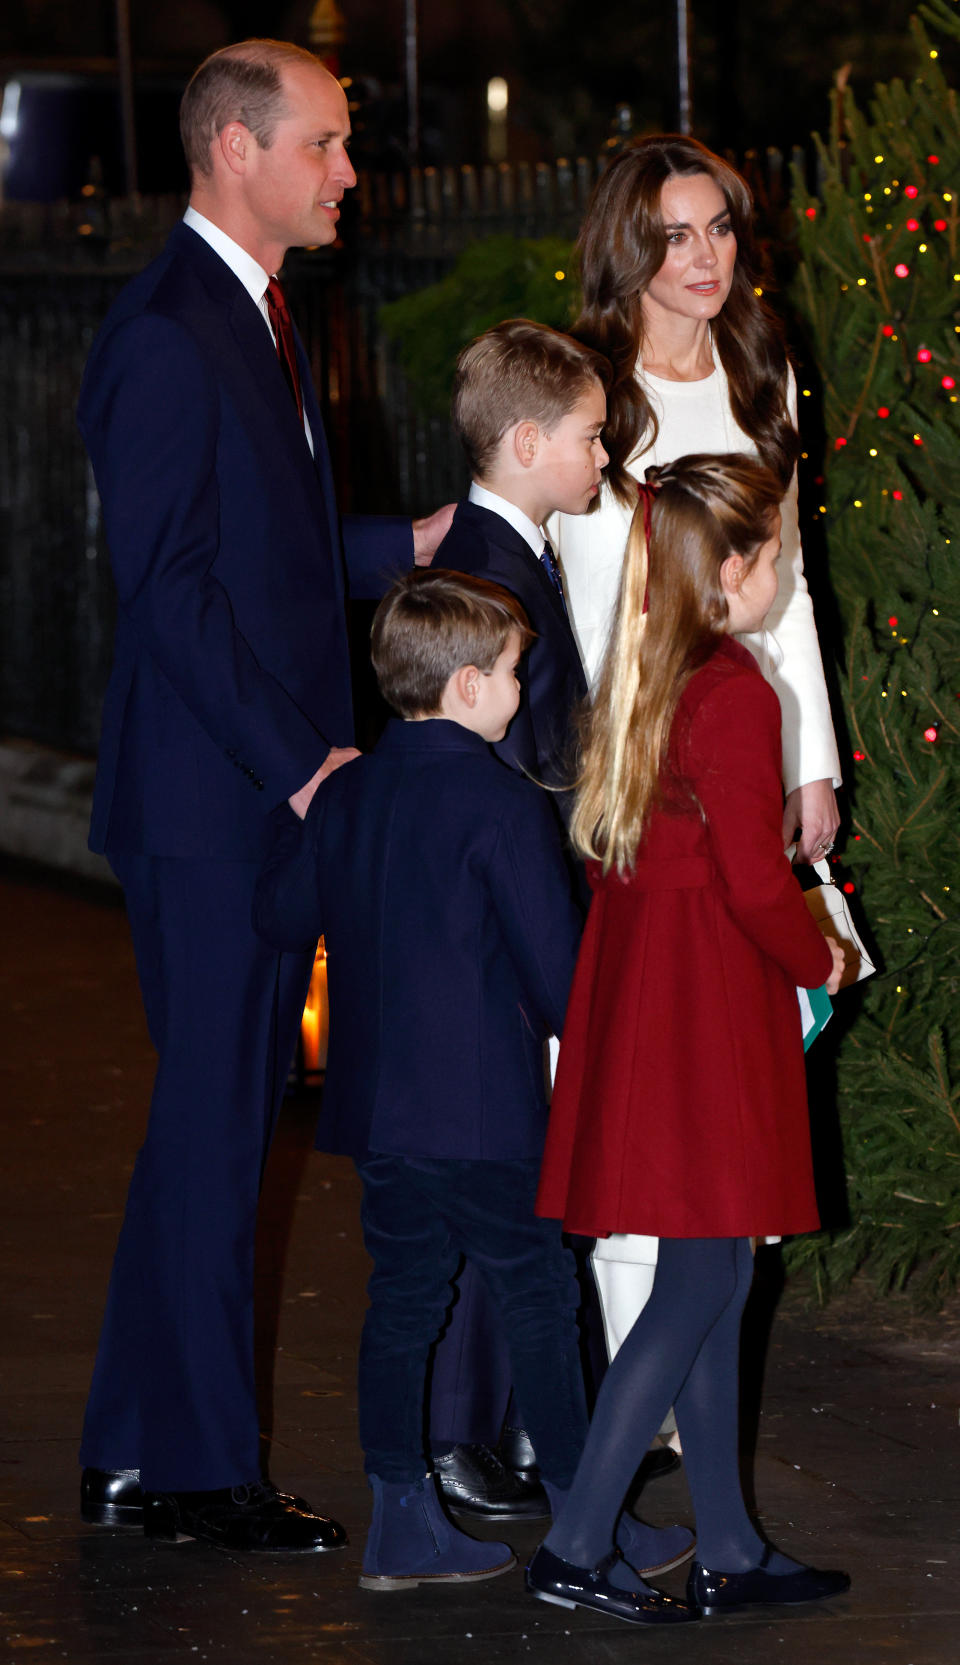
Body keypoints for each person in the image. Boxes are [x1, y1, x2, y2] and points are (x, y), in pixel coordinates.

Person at [76, 39, 451, 1552]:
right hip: (217, 803)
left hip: (253, 798)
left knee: (208, 1127)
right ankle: (195, 1472)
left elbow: (267, 552)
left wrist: (406, 541)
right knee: (219, 1130)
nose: (349, 172)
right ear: (236, 147)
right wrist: (300, 760)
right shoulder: (171, 330)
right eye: (327, 144)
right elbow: (167, 597)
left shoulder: (265, 314)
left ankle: (129, 1445)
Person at [252, 569, 691, 1612]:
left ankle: (402, 1514)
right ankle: (588, 1517)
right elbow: (558, 977)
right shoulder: (497, 802)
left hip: (377, 1111)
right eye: (510, 670)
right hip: (485, 1111)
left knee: (404, 1299)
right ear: (462, 688)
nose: (520, 684)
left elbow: (279, 918)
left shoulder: (351, 791)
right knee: (538, 1298)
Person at [527, 454, 850, 1626]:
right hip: (707, 1006)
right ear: (729, 570)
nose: (784, 569)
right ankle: (574, 1544)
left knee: (707, 1269)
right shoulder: (736, 692)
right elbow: (759, 887)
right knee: (705, 1276)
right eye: (774, 551)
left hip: (659, 999)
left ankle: (727, 1545)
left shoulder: (653, 674)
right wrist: (820, 958)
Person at [549, 133, 844, 1372]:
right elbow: (577, 595)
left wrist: (810, 760)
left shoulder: (761, 366)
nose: (707, 255)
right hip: (636, 778)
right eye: (677, 233)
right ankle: (642, 1402)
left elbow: (791, 590)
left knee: (744, 1084)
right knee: (638, 1093)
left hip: (746, 742)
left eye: (720, 226)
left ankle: (696, 1388)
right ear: (629, 242)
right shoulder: (590, 395)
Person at [425, 319, 604, 1520]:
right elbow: (530, 749)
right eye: (591, 437)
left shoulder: (512, 544)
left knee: (535, 1178)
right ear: (529, 440)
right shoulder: (492, 568)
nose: (606, 455)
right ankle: (463, 1434)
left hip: (520, 900)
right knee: (509, 1185)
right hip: (510, 915)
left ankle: (526, 1428)